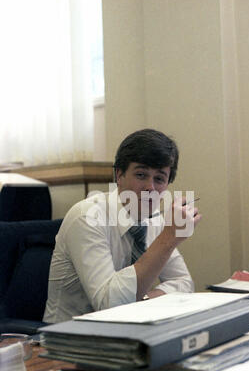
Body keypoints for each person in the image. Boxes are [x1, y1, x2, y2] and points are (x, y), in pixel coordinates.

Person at [43, 129, 202, 323]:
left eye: (159, 179)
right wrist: (168, 239)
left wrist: (143, 300)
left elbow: (184, 284)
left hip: (128, 331)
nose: (150, 187)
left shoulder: (156, 221)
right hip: (70, 337)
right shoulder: (87, 217)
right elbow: (109, 304)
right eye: (141, 175)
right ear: (119, 175)